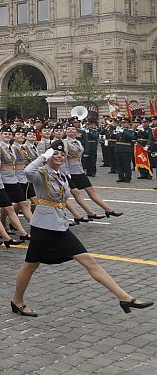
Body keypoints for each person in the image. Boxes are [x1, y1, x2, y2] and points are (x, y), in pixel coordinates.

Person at [10, 141, 152, 317]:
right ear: (47, 156)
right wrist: (44, 156)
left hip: (60, 226)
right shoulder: (41, 173)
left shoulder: (61, 174)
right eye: (55, 153)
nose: (60, 156)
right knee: (30, 266)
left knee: (88, 260)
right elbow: (27, 172)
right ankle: (17, 301)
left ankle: (124, 297)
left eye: (62, 154)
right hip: (44, 228)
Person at [114, 118, 135, 183]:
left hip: (126, 149)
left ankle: (128, 177)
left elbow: (131, 137)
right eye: (122, 123)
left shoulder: (130, 131)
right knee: (119, 164)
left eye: (125, 123)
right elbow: (114, 138)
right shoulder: (119, 130)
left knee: (126, 164)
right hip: (118, 149)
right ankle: (121, 177)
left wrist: (123, 132)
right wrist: (115, 133)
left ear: (128, 124)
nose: (123, 124)